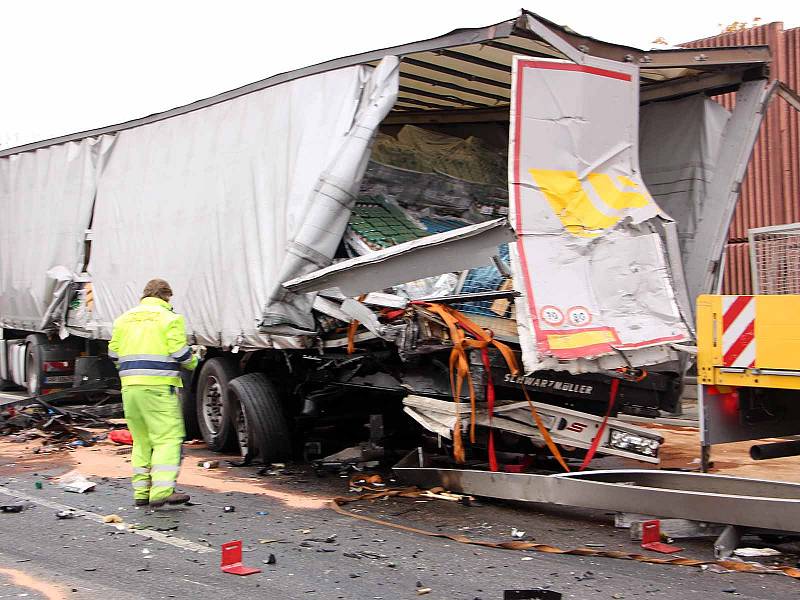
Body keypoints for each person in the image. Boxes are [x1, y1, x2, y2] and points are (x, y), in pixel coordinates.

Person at [108, 279, 198, 508]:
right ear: (166, 296)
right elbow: (180, 353)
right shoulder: (170, 319)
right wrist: (194, 360)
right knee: (167, 438)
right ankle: (161, 491)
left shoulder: (123, 319)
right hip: (159, 389)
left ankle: (141, 491)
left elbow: (113, 353)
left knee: (141, 440)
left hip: (130, 389)